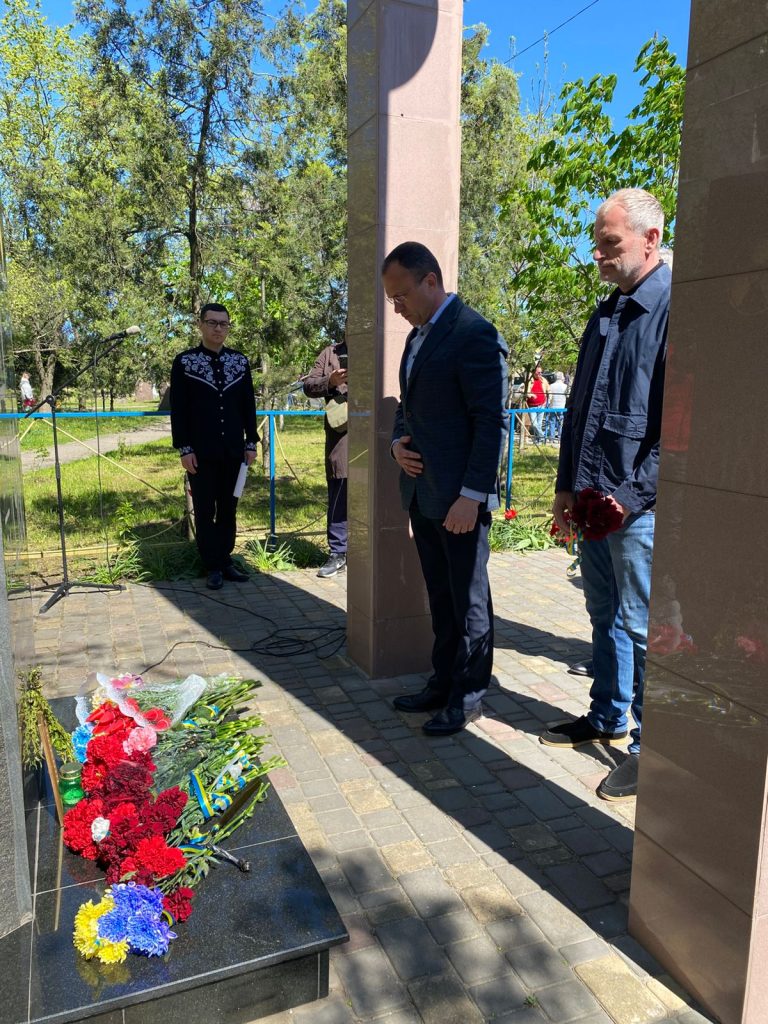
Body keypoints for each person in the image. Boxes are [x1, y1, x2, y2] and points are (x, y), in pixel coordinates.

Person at [541, 188, 671, 802]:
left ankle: (651, 748)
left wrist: (629, 496)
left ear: (650, 238)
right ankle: (607, 713)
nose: (597, 253)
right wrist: (566, 486)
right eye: (596, 242)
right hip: (592, 499)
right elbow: (580, 414)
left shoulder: (673, 308)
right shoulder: (606, 313)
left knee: (641, 626)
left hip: (638, 508)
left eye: (609, 242)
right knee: (603, 613)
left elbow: (680, 427)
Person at [384, 242, 508, 736]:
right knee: (440, 596)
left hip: (459, 501)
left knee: (469, 602)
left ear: (431, 281)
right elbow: (406, 408)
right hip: (423, 494)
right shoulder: (417, 338)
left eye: (401, 296)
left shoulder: (473, 333)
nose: (397, 307)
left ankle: (468, 696)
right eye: (391, 299)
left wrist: (472, 496)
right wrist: (396, 444)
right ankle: (442, 682)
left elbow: (490, 422)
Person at [170, 303, 258, 590]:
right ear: (200, 325)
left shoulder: (239, 362)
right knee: (205, 509)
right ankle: (212, 566)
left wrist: (251, 442)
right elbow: (179, 410)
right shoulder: (185, 362)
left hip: (234, 452)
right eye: (212, 323)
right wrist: (184, 448)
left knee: (229, 507)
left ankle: (226, 560)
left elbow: (248, 405)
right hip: (200, 454)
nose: (218, 328)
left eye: (224, 324)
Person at [303, 337, 348, 578]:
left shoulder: (378, 347)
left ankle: (369, 551)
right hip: (341, 434)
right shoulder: (330, 353)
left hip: (376, 432)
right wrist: (330, 381)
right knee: (340, 488)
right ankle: (338, 553)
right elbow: (309, 386)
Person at [546, 371, 568, 441]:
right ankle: (560, 437)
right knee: (560, 422)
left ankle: (551, 437)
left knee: (552, 422)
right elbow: (567, 396)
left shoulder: (551, 386)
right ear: (562, 378)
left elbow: (549, 396)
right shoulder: (565, 386)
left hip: (553, 406)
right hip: (562, 406)